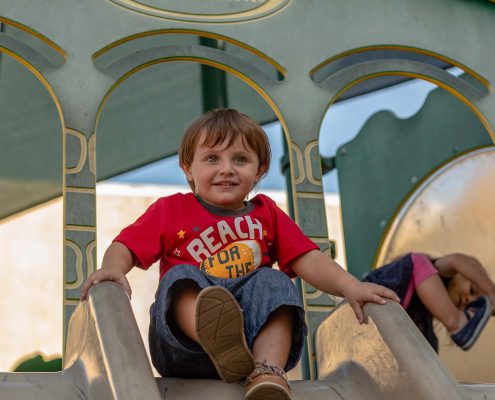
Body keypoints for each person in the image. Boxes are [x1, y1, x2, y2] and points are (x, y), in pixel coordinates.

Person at [80, 109, 399, 400]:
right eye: (212, 159)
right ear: (188, 167)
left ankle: (267, 372)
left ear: (259, 169)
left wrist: (350, 287)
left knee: (275, 281)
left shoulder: (267, 214)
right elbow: (127, 245)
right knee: (181, 278)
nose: (226, 170)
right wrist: (113, 269)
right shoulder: (171, 210)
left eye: (240, 160)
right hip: (184, 349)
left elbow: (310, 260)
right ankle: (212, 335)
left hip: (250, 342)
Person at [363, 252, 495, 352]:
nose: (468, 299)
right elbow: (457, 260)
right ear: (458, 273)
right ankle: (458, 323)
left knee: (430, 348)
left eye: (470, 305)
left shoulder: (425, 321)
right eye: (472, 290)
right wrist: (491, 292)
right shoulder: (435, 270)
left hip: (382, 337)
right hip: (371, 299)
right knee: (418, 260)